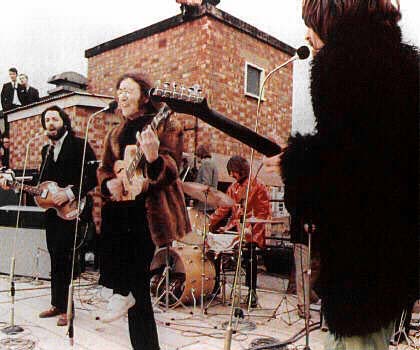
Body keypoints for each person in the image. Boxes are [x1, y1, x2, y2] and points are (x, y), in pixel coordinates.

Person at [264, 0, 418, 348]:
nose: (307, 33)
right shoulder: (401, 66)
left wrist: (296, 164)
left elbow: (347, 175)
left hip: (362, 265)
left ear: (332, 20)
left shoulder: (344, 68)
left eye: (312, 23)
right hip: (392, 256)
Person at [97, 71, 190, 350]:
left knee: (135, 283)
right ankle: (124, 300)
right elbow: (103, 169)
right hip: (120, 213)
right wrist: (109, 182)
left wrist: (152, 158)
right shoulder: (113, 133)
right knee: (138, 293)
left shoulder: (164, 125)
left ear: (144, 95)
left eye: (128, 89)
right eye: (119, 90)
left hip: (149, 215)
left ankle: (119, 292)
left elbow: (172, 169)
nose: (121, 95)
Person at [1, 105, 97, 326]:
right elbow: (40, 184)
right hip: (53, 214)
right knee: (54, 256)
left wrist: (71, 193)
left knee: (67, 258)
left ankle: (68, 309)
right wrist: (16, 186)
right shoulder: (45, 151)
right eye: (47, 120)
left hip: (73, 209)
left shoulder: (79, 145)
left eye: (54, 118)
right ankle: (57, 303)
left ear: (64, 122)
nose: (50, 123)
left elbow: (93, 175)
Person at [209, 155, 270, 307]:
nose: (231, 175)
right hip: (237, 231)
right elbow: (224, 208)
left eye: (233, 172)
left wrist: (252, 233)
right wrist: (210, 222)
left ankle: (252, 291)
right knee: (215, 246)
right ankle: (215, 285)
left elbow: (262, 213)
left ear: (240, 170)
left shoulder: (258, 186)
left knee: (250, 253)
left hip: (252, 231)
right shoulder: (233, 188)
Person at [194, 144, 218, 212]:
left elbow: (206, 183)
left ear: (200, 154)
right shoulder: (211, 163)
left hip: (206, 205)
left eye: (196, 156)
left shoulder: (206, 163)